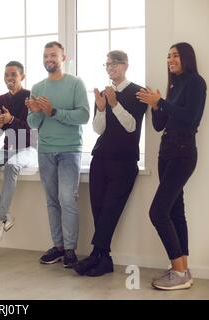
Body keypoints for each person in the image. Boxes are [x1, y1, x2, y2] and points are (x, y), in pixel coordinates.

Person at [137, 42, 206, 290]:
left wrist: (161, 102)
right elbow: (159, 125)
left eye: (175, 55)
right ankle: (182, 269)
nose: (170, 60)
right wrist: (156, 105)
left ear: (186, 57)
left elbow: (190, 119)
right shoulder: (174, 85)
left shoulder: (196, 82)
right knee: (175, 211)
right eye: (168, 56)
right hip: (166, 153)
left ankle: (178, 272)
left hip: (183, 152)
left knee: (158, 211)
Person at [73, 51, 147, 277]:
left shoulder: (138, 93)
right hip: (101, 159)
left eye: (114, 64)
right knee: (99, 209)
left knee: (110, 211)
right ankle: (103, 258)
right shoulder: (105, 93)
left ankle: (98, 255)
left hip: (124, 161)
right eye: (107, 64)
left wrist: (114, 104)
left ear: (125, 65)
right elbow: (98, 129)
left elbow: (131, 126)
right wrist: (103, 108)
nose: (109, 68)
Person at [26, 41, 89, 267]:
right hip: (45, 151)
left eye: (53, 55)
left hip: (70, 150)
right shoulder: (37, 87)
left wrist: (53, 111)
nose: (48, 59)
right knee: (52, 201)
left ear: (64, 57)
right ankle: (59, 246)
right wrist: (37, 112)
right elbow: (33, 123)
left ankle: (71, 249)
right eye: (45, 55)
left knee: (67, 200)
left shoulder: (75, 84)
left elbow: (83, 116)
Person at [0, 61, 37, 243]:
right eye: (6, 75)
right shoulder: (1, 99)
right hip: (7, 148)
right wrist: (0, 124)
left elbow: (33, 128)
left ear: (22, 77)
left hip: (28, 148)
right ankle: (6, 216)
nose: (9, 79)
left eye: (13, 75)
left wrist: (12, 119)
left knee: (12, 166)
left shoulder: (30, 97)